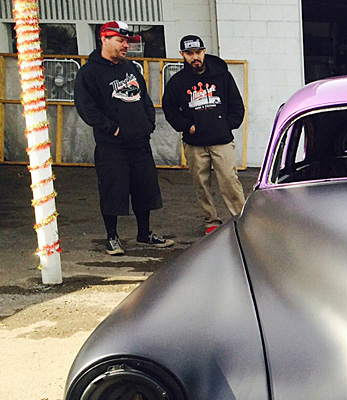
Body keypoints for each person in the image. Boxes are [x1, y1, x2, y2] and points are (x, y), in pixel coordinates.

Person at [74, 20, 174, 255]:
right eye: (120, 41)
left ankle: (144, 234)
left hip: (138, 142)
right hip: (112, 145)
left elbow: (144, 98)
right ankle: (112, 237)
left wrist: (148, 123)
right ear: (104, 39)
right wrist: (112, 128)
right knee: (113, 189)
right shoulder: (89, 72)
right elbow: (86, 108)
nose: (125, 46)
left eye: (127, 41)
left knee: (144, 188)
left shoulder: (130, 68)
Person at [162, 35, 246, 235]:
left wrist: (227, 126)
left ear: (204, 51)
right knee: (201, 184)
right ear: (182, 55)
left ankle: (241, 219)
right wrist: (186, 125)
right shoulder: (178, 82)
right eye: (189, 54)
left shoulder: (222, 75)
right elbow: (170, 108)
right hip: (195, 143)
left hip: (221, 140)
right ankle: (211, 220)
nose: (195, 57)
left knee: (229, 181)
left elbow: (236, 104)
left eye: (198, 52)